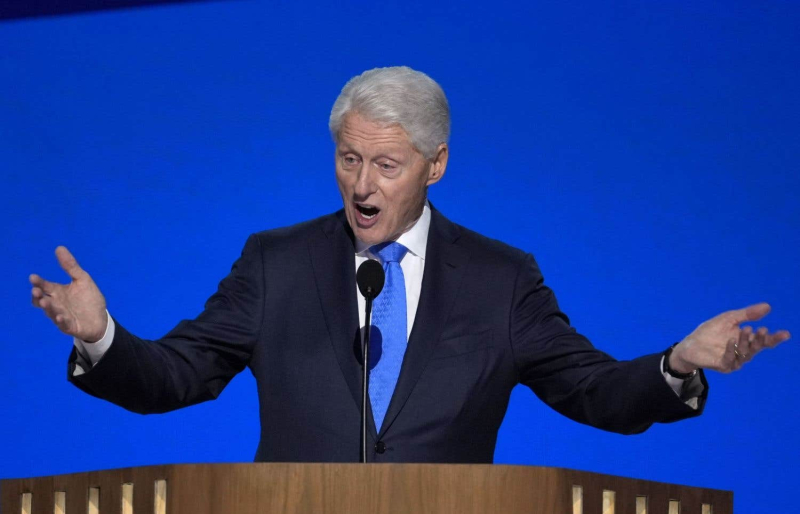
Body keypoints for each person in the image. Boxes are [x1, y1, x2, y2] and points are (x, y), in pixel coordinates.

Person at [29, 67, 790, 463]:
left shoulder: (501, 280)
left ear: (436, 165)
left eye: (386, 165)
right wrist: (102, 338)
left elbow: (592, 392)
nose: (362, 185)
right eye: (348, 158)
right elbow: (176, 376)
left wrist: (676, 364)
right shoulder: (277, 264)